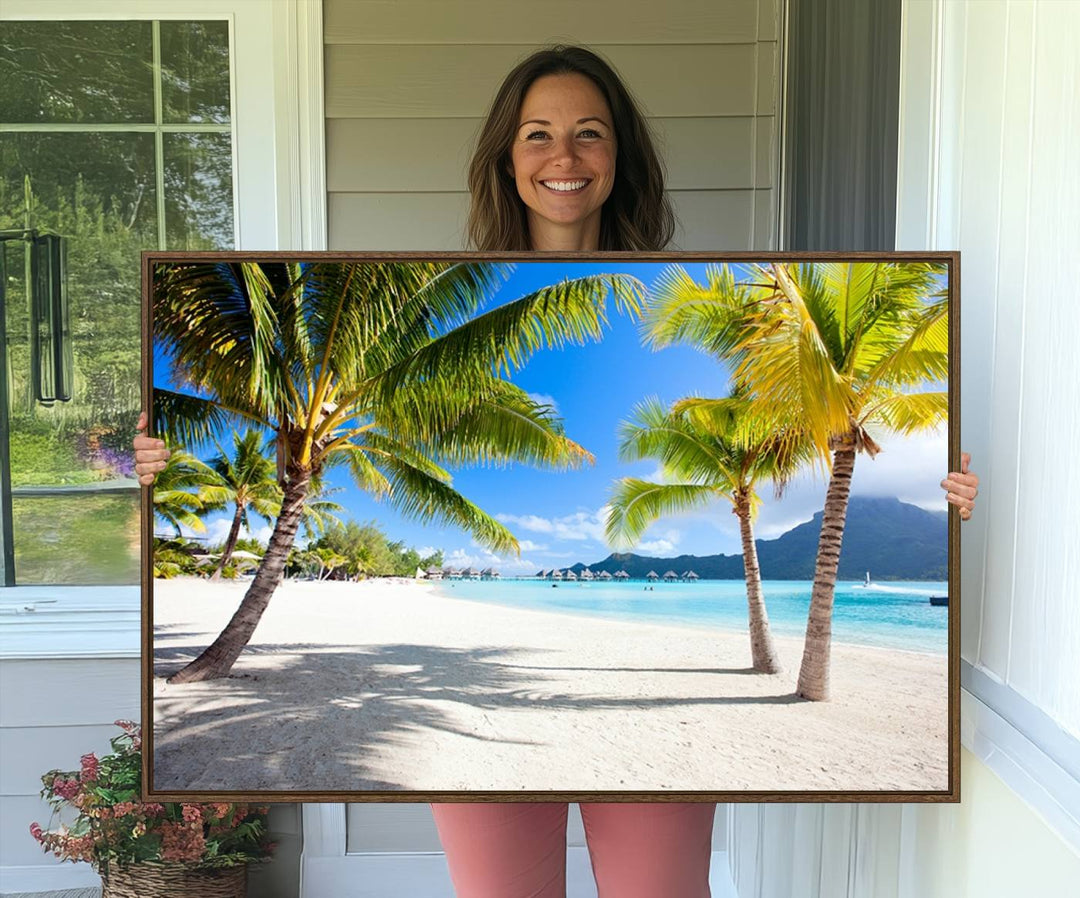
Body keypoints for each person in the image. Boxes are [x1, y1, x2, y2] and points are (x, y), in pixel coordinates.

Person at [134, 44, 980, 898]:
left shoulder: (716, 289)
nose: (563, 157)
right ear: (507, 157)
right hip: (474, 701)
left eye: (589, 134)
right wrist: (155, 467)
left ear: (620, 158)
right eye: (537, 134)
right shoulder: (435, 298)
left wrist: (945, 498)